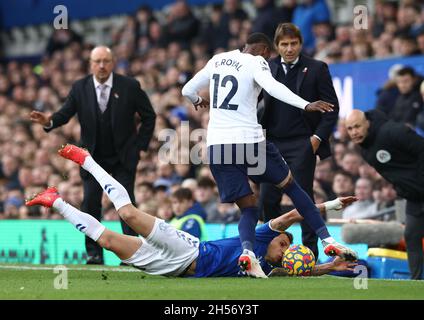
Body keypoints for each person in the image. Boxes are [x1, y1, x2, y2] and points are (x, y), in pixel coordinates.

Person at [26, 144, 357, 278]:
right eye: (284, 244)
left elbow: (302, 273)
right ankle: (88, 161)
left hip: (177, 269)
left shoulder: (269, 270)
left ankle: (55, 200)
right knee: (127, 215)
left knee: (110, 242)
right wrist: (329, 204)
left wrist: (331, 266)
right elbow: (293, 214)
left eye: (286, 250)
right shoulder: (259, 237)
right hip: (187, 248)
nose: (284, 251)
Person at [181, 32, 357, 278]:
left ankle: (248, 253)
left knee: (249, 208)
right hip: (249, 142)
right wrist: (306, 104)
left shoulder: (217, 59)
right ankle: (328, 240)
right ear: (264, 50)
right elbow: (274, 88)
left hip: (218, 146)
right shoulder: (257, 62)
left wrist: (198, 99)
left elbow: (186, 89)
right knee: (293, 188)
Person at [29, 46, 156, 265]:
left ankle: (132, 253)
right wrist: (49, 121)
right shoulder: (80, 87)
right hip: (91, 158)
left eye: (106, 61)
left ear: (113, 62)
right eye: (97, 61)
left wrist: (140, 147)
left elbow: (149, 116)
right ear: (90, 63)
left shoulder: (130, 86)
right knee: (90, 203)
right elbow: (65, 113)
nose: (102, 65)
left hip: (124, 157)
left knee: (126, 205)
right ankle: (94, 253)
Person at [259, 23, 339, 259]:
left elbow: (331, 108)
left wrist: (316, 139)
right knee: (268, 199)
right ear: (277, 46)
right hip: (272, 143)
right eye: (284, 44)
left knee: (304, 198)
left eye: (293, 43)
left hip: (302, 143)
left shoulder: (316, 68)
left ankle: (310, 253)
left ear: (301, 44)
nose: (289, 48)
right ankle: (272, 252)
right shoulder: (267, 68)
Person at [345, 109, 424, 280]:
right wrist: (403, 189)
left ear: (368, 123)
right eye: (350, 129)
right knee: (412, 236)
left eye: (357, 126)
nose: (354, 132)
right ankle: (417, 282)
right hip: (414, 196)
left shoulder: (392, 132)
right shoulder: (364, 150)